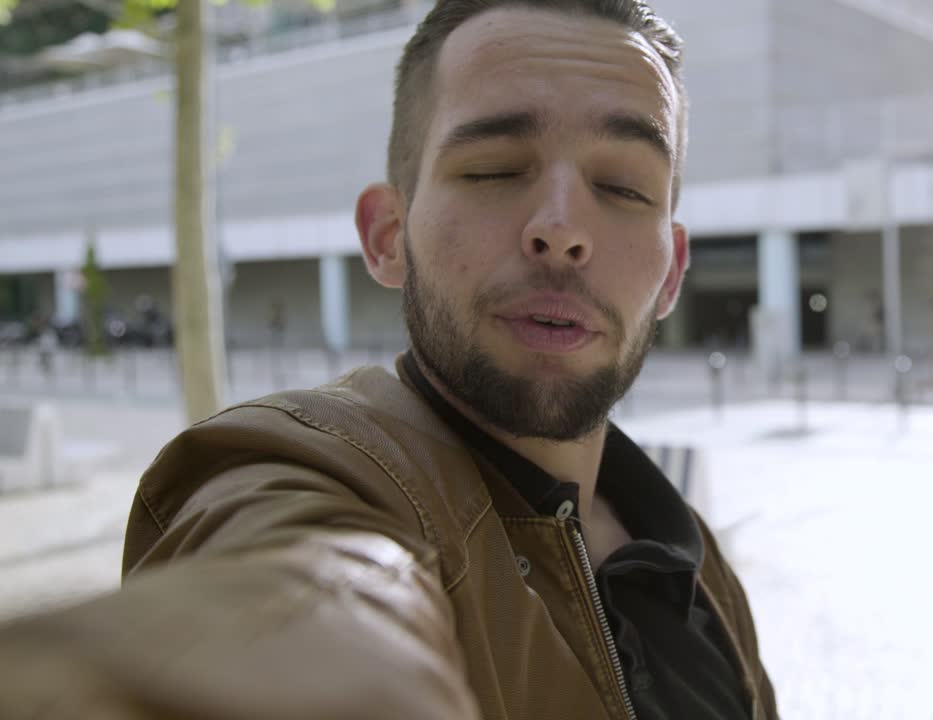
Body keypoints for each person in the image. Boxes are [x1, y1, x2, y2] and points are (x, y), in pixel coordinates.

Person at [0, 2, 777, 719]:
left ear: (672, 271)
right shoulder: (302, 469)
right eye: (495, 169)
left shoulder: (701, 566)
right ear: (386, 235)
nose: (562, 229)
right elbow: (301, 595)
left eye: (623, 186)